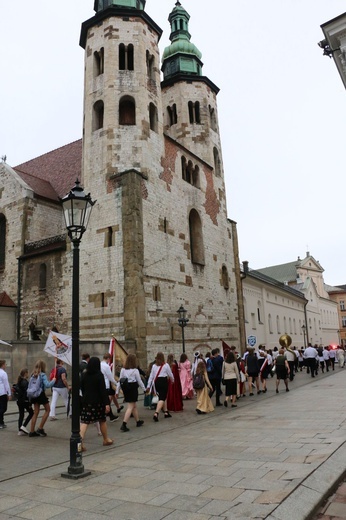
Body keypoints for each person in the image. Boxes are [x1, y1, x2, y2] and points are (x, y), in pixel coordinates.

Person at [80, 356, 113, 450]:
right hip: (98, 402)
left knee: (85, 421)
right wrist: (107, 403)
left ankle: (79, 441)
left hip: (86, 401)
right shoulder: (99, 375)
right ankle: (106, 439)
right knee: (102, 420)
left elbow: (82, 387)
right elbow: (103, 391)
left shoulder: (84, 374)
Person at [116, 353, 146, 432]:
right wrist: (144, 389)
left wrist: (117, 391)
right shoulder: (135, 370)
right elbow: (139, 381)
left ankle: (138, 421)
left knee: (134, 406)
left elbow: (119, 381)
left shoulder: (123, 370)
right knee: (130, 406)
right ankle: (124, 424)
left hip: (126, 388)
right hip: (133, 388)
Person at [29, 360, 56, 437]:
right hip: (41, 394)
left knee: (36, 412)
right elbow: (47, 385)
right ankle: (40, 428)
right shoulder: (42, 375)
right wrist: (53, 380)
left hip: (34, 394)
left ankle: (32, 431)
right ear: (43, 366)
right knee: (48, 410)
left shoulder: (33, 374)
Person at [146, 352, 174, 422]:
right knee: (162, 398)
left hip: (156, 382)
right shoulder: (166, 365)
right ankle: (156, 413)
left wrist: (148, 386)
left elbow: (151, 376)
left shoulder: (154, 366)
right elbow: (170, 374)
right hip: (163, 381)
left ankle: (166, 412)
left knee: (162, 396)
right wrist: (173, 380)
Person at [101, 353, 120, 422]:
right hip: (106, 385)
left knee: (106, 400)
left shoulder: (100, 364)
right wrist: (116, 383)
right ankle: (110, 415)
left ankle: (110, 414)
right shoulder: (106, 366)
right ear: (108, 359)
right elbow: (110, 377)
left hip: (101, 384)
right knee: (106, 401)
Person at [16, 368, 34, 435]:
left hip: (19, 401)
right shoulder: (25, 382)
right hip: (25, 401)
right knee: (31, 413)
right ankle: (23, 426)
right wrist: (30, 402)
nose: (28, 374)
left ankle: (20, 430)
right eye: (27, 373)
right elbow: (28, 393)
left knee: (21, 414)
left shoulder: (19, 381)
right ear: (25, 374)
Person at [0, 360, 11, 429]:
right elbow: (6, 384)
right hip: (2, 392)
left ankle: (2, 422)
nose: (6, 365)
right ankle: (0, 422)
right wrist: (9, 393)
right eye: (5, 364)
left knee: (1, 408)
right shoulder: (3, 373)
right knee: (3, 408)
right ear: (2, 365)